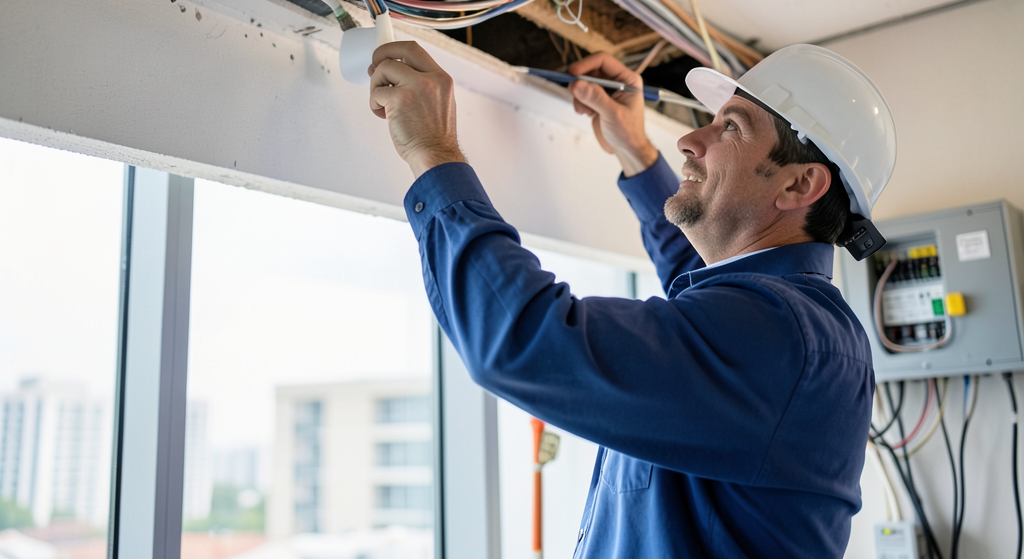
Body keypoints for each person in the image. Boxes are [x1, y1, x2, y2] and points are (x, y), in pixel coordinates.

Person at [367, 39, 897, 558]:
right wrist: (635, 150)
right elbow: (695, 274)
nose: (689, 139)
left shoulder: (779, 336)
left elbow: (524, 339)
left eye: (731, 128)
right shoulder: (786, 322)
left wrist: (433, 152)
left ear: (800, 185)